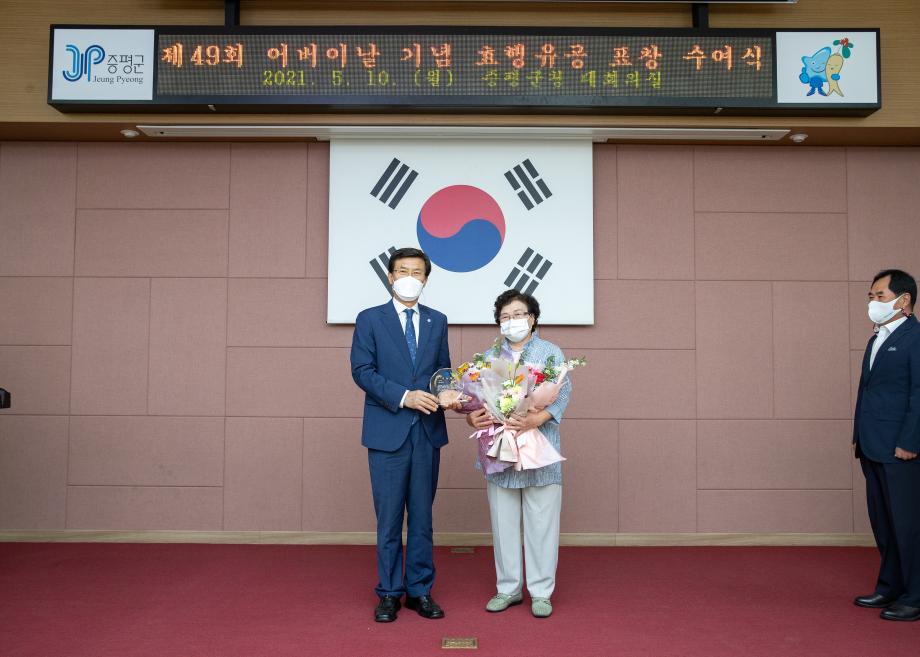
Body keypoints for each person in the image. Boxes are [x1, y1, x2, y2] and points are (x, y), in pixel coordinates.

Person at [350, 247, 451, 623]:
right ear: (391, 277)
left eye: (417, 272)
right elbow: (362, 370)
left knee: (422, 518)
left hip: (427, 431)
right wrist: (405, 396)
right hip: (387, 431)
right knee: (389, 518)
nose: (410, 277)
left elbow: (443, 371)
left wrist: (450, 392)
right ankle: (390, 592)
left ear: (426, 279)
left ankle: (420, 590)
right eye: (403, 271)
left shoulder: (438, 320)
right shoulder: (369, 319)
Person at [466, 289, 571, 618]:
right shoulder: (488, 356)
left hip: (540, 449)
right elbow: (475, 398)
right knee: (504, 523)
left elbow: (562, 393)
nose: (512, 321)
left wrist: (538, 417)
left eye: (518, 315)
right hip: (500, 450)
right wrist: (471, 415)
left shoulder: (550, 353)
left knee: (542, 523)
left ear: (532, 318)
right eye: (505, 316)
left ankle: (541, 592)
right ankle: (508, 588)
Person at [852, 269, 920, 622]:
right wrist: (857, 435)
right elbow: (868, 391)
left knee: (908, 525)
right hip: (872, 445)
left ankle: (915, 596)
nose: (873, 302)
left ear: (904, 299)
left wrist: (910, 441)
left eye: (879, 296)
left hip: (901, 449)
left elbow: (919, 394)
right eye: (871, 296)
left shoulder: (915, 338)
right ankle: (890, 586)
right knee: (884, 523)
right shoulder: (876, 337)